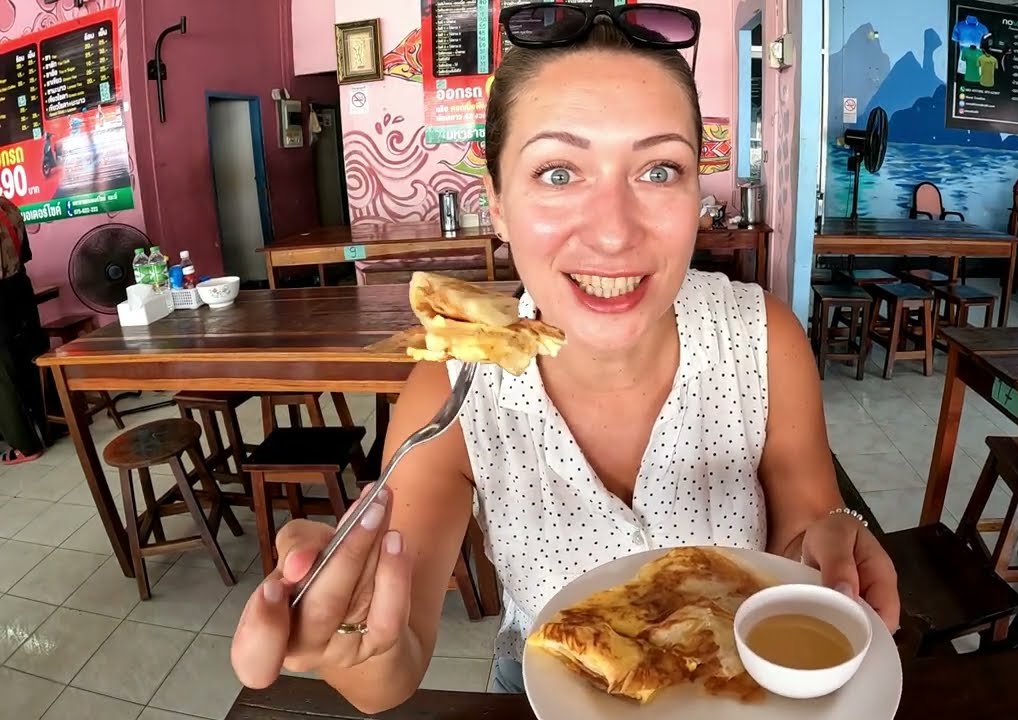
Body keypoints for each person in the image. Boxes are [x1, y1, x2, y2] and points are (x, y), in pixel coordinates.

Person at [230, 5, 900, 714]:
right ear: (496, 204)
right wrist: (351, 634)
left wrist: (831, 542)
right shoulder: (452, 393)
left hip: (733, 688)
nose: (613, 234)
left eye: (659, 169)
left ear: (696, 193)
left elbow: (802, 544)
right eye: (557, 173)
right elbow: (391, 670)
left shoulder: (760, 339)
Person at [0, 195, 50, 464]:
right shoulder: (7, 206)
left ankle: (25, 444)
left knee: (3, 374)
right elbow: (25, 255)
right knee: (32, 357)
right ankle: (54, 424)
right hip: (19, 287)